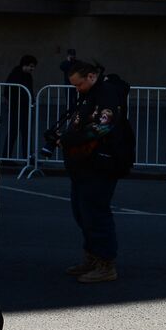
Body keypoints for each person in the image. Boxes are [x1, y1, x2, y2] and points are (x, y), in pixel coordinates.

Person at [57, 60, 134, 283]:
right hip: (85, 164)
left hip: (101, 163)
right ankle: (92, 257)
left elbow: (104, 124)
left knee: (96, 214)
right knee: (83, 212)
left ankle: (105, 263)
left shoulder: (106, 93)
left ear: (91, 76)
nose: (77, 89)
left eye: (79, 84)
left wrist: (71, 138)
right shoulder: (92, 93)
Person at [5, 55, 37, 159]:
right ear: (25, 65)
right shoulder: (15, 75)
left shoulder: (26, 76)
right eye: (31, 66)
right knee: (14, 132)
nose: (32, 69)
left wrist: (32, 100)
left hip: (25, 107)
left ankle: (27, 156)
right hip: (17, 107)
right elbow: (8, 91)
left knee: (25, 133)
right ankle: (7, 157)